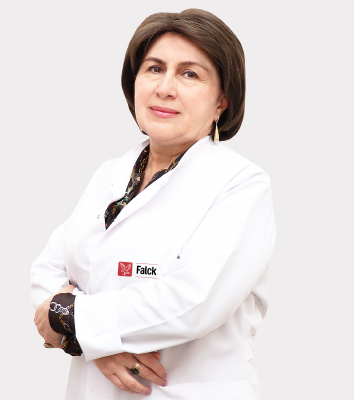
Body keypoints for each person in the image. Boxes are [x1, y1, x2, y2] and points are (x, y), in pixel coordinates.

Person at [31, 8, 276, 400]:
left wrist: (70, 320)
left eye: (190, 74)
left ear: (222, 100)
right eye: (154, 68)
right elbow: (49, 268)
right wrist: (88, 341)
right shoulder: (110, 174)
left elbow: (192, 302)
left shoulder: (241, 185)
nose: (165, 88)